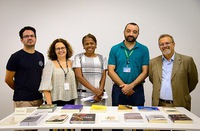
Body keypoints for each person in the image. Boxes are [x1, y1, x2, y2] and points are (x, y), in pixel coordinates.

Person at [108, 22, 149, 131]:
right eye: (128, 31)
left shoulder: (144, 49)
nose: (131, 34)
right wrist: (124, 86)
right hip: (118, 89)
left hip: (137, 90)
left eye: (134, 32)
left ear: (138, 34)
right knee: (117, 121)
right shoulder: (115, 49)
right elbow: (111, 71)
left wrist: (131, 86)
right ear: (124, 32)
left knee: (138, 121)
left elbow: (145, 72)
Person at [5, 26, 44, 131]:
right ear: (21, 40)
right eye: (26, 36)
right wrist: (20, 89)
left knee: (34, 128)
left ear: (36, 38)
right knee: (22, 129)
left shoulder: (40, 56)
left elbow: (40, 77)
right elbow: (8, 79)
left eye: (32, 36)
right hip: (23, 101)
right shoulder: (16, 57)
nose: (29, 38)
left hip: (38, 99)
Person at [149, 34, 198, 111]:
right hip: (159, 104)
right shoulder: (153, 62)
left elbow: (193, 81)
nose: (164, 46)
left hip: (180, 103)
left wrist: (182, 91)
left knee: (181, 123)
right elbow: (152, 79)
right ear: (159, 47)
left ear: (173, 44)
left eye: (167, 43)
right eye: (161, 44)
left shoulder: (187, 60)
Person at [39, 38, 77, 131]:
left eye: (63, 48)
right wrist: (50, 106)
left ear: (67, 49)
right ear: (54, 51)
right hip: (55, 102)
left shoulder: (73, 63)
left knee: (70, 128)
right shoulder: (50, 64)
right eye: (58, 49)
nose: (61, 50)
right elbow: (45, 86)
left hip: (71, 102)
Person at [73, 33, 107, 107]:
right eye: (86, 44)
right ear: (83, 46)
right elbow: (79, 77)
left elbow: (103, 76)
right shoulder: (78, 57)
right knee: (81, 117)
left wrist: (100, 92)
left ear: (96, 45)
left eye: (92, 43)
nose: (89, 46)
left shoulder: (102, 58)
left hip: (99, 97)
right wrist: (95, 90)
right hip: (83, 96)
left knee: (99, 117)